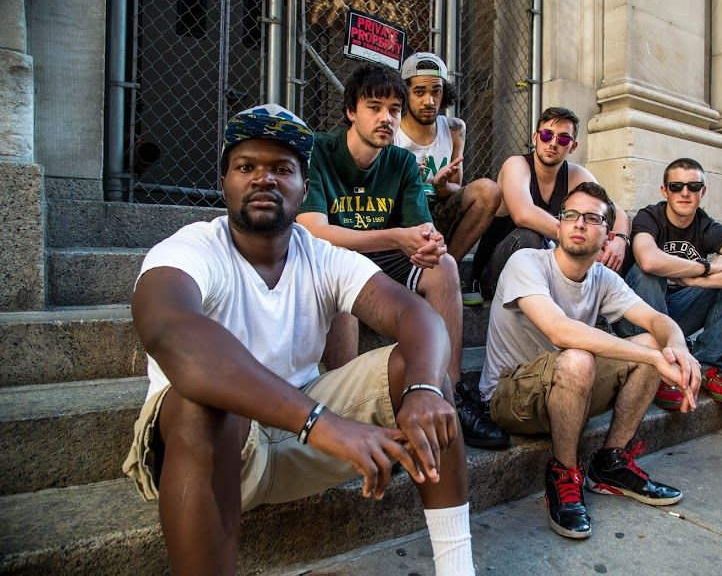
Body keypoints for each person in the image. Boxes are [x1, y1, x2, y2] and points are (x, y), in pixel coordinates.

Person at [122, 104, 474, 575]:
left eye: (282, 169)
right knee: (199, 404)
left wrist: (425, 387)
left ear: (305, 189)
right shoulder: (192, 247)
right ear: (224, 182)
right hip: (219, 452)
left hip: (301, 439)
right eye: (246, 167)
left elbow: (415, 314)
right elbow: (170, 332)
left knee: (422, 373)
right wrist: (320, 423)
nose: (263, 179)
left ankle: (457, 567)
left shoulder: (320, 255)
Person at [296, 64, 508, 450]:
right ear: (351, 111)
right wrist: (396, 236)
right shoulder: (320, 150)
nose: (386, 118)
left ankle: (449, 392)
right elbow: (314, 230)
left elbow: (422, 228)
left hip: (382, 260)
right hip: (331, 260)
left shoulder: (402, 162)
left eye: (394, 110)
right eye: (374, 107)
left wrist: (431, 243)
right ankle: (351, 410)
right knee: (340, 265)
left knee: (444, 265)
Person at [478, 181, 701, 539]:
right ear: (559, 225)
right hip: (510, 397)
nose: (579, 223)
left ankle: (610, 462)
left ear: (608, 237)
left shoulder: (603, 278)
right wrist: (652, 356)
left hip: (569, 389)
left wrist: (678, 349)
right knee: (582, 357)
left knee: (651, 345)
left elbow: (657, 320)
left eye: (592, 218)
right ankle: (564, 472)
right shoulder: (527, 262)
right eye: (571, 215)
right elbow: (560, 332)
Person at [615, 157, 722, 410]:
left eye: (693, 187)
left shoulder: (707, 227)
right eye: (676, 186)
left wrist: (703, 282)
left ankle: (707, 366)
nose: (685, 193)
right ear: (664, 191)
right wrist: (706, 268)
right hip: (636, 320)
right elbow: (649, 260)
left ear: (702, 192)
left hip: (677, 313)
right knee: (647, 272)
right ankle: (663, 366)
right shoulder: (650, 217)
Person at [471, 107, 631, 300]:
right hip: (496, 275)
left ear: (573, 146)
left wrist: (620, 240)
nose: (553, 143)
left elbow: (616, 212)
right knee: (531, 236)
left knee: (605, 246)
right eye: (547, 135)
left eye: (563, 139)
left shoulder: (576, 175)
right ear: (535, 138)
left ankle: (603, 308)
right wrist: (580, 240)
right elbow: (523, 214)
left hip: (544, 276)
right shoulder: (517, 165)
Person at [395, 52, 502, 306]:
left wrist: (441, 185)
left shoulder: (454, 129)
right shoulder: (392, 129)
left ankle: (447, 273)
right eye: (419, 92)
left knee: (489, 191)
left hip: (439, 211)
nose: (429, 100)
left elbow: (454, 189)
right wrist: (406, 180)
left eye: (436, 91)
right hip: (404, 217)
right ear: (405, 93)